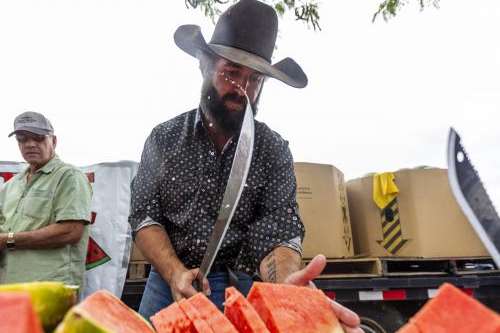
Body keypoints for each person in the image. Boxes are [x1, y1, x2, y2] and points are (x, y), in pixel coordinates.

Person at [129, 0, 361, 331]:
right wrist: (174, 272)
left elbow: (278, 229)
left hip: (238, 285)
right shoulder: (163, 138)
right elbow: (144, 216)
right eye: (231, 73)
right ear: (204, 66)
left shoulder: (272, 149)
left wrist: (284, 288)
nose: (242, 90)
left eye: (255, 80)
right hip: (167, 283)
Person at [0, 111, 92, 287]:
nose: (30, 144)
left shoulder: (69, 176)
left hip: (51, 289)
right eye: (22, 139)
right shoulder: (11, 185)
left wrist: (8, 239)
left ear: (54, 141)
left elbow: (71, 231)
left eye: (38, 138)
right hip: (10, 289)